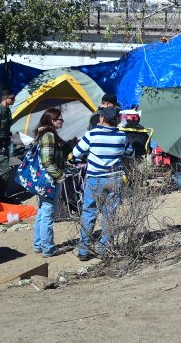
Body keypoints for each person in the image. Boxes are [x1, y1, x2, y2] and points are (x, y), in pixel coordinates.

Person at [73, 107, 134, 261]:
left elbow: (76, 153)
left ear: (101, 118)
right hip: (115, 178)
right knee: (109, 214)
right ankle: (104, 248)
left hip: (95, 178)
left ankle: (84, 250)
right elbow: (131, 154)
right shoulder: (122, 135)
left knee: (89, 213)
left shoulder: (91, 134)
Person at [33, 108, 67, 257]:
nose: (62, 121)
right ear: (52, 121)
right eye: (60, 119)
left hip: (42, 179)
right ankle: (48, 248)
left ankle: (39, 244)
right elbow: (47, 160)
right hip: (49, 180)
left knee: (42, 212)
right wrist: (59, 175)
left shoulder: (44, 134)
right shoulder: (49, 136)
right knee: (47, 213)